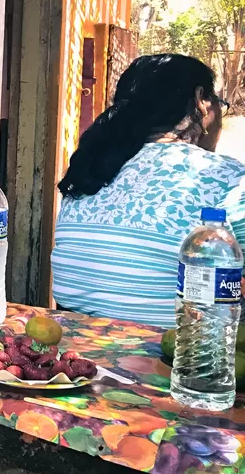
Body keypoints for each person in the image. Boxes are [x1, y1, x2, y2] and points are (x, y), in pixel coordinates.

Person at [52, 53, 245, 327]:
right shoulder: (228, 178)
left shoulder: (91, 169)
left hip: (73, 347)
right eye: (219, 104)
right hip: (174, 357)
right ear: (201, 101)